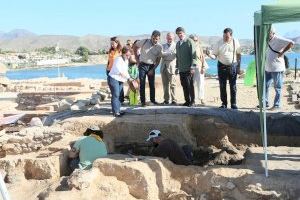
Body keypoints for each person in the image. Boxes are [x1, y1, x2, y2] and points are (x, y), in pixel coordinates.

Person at [207, 28, 241, 109]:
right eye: (224, 36)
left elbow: (239, 55)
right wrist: (209, 55)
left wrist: (238, 67)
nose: (225, 38)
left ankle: (233, 104)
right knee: (222, 86)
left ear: (231, 36)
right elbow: (214, 56)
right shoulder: (219, 43)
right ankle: (224, 104)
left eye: (227, 36)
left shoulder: (235, 42)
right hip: (221, 66)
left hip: (233, 66)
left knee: (233, 86)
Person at [264, 27, 294, 110]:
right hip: (268, 68)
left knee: (277, 87)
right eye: (267, 33)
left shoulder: (278, 38)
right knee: (265, 86)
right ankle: (265, 103)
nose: (267, 34)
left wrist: (283, 52)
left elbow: (291, 43)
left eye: (269, 33)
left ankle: (276, 105)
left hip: (277, 68)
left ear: (273, 33)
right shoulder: (267, 40)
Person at [134, 30, 162, 107]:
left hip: (151, 66)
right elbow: (135, 46)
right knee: (142, 83)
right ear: (151, 36)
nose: (155, 40)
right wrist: (137, 60)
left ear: (159, 39)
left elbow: (158, 60)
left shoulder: (159, 47)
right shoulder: (145, 41)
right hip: (142, 65)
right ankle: (143, 102)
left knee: (152, 84)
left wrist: (153, 69)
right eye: (153, 38)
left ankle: (152, 100)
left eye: (156, 39)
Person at [175, 27, 197, 107]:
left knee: (190, 85)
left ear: (184, 33)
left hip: (189, 68)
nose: (179, 35)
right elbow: (178, 56)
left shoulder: (189, 41)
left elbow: (194, 56)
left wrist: (193, 67)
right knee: (184, 85)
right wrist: (177, 67)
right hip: (181, 69)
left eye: (180, 33)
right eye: (178, 34)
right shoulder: (178, 43)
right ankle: (187, 101)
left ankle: (192, 101)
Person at [108, 46, 132, 117]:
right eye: (127, 55)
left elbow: (125, 71)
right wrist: (128, 78)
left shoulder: (126, 60)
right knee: (116, 95)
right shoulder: (118, 59)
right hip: (113, 78)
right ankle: (115, 112)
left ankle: (118, 110)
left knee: (120, 96)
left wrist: (130, 78)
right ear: (123, 53)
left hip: (120, 80)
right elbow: (120, 71)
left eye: (129, 55)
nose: (128, 57)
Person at [189, 34, 208, 105]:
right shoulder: (188, 47)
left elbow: (202, 57)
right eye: (193, 40)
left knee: (201, 83)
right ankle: (192, 99)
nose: (195, 41)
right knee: (191, 84)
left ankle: (202, 99)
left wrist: (203, 67)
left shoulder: (199, 46)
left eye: (196, 40)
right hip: (191, 68)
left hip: (199, 67)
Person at [106, 37, 124, 103]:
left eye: (113, 43)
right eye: (111, 44)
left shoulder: (121, 51)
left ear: (117, 43)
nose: (112, 45)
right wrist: (107, 69)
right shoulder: (111, 50)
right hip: (110, 71)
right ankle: (115, 107)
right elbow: (109, 61)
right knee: (114, 91)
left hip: (118, 72)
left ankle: (119, 103)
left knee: (119, 90)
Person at [161, 32, 177, 105]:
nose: (169, 38)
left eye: (170, 37)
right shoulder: (162, 45)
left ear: (173, 38)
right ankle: (166, 100)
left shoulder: (176, 45)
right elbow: (161, 54)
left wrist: (165, 53)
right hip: (163, 66)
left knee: (173, 84)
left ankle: (174, 100)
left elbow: (175, 56)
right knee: (165, 85)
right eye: (168, 37)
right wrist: (168, 53)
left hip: (172, 66)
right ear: (166, 38)